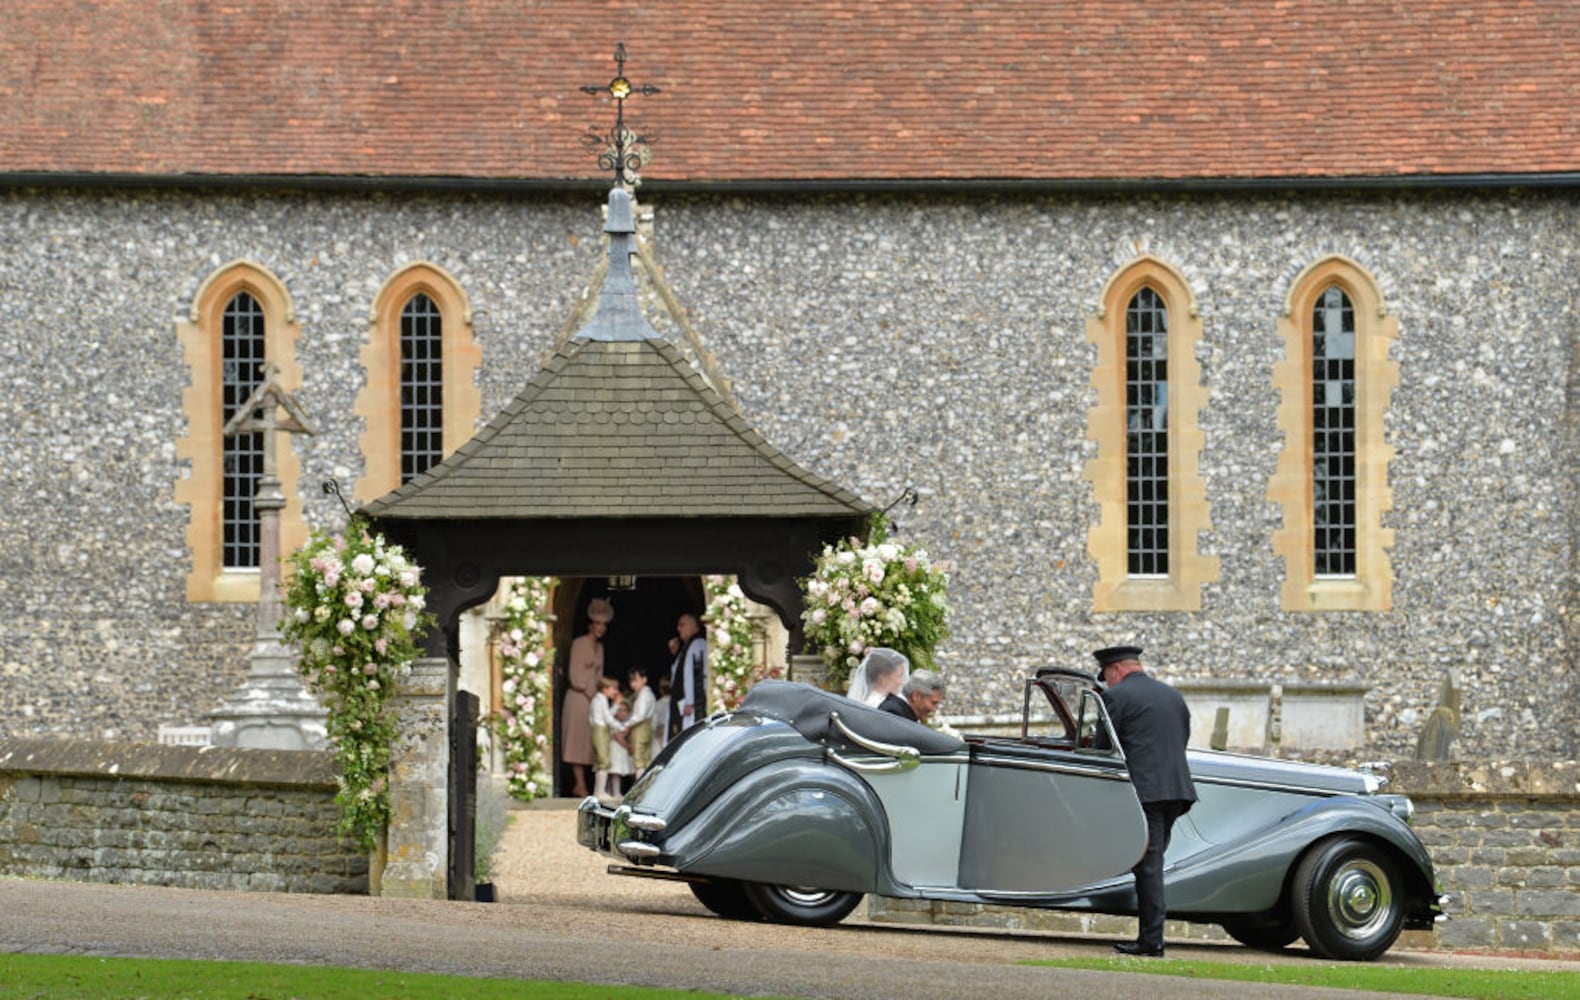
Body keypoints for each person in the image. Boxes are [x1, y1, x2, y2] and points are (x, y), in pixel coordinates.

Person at [1094, 645, 1197, 958]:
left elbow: (1102, 748)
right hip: (1177, 792)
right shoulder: (1173, 696)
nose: (1108, 683)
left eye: (1107, 677)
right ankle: (1150, 937)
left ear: (1115, 670)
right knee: (1150, 864)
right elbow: (1182, 738)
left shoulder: (1116, 697)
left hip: (1146, 793)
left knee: (1149, 867)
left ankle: (1152, 942)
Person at [561, 597, 613, 798]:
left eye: (604, 624)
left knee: (590, 742)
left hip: (593, 698)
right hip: (579, 698)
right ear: (590, 625)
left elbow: (599, 676)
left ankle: (590, 785)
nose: (601, 628)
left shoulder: (600, 648)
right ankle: (579, 784)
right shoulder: (579, 643)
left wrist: (610, 688)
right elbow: (574, 675)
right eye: (598, 624)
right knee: (577, 741)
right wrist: (591, 692)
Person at [588, 675, 630, 805]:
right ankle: (599, 792)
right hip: (600, 731)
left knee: (603, 761)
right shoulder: (600, 700)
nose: (615, 692)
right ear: (605, 689)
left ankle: (599, 791)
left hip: (601, 731)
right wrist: (620, 726)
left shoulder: (600, 700)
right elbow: (607, 718)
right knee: (604, 761)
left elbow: (607, 715)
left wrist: (616, 706)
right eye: (613, 689)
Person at [668, 612, 708, 734]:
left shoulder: (698, 644)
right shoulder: (686, 647)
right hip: (682, 704)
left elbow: (698, 674)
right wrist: (675, 655)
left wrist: (691, 701)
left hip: (692, 706)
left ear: (694, 626)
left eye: (682, 625)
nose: (678, 628)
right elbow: (677, 675)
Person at [879, 669, 945, 724]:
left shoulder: (901, 711)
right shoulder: (894, 713)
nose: (934, 709)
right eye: (933, 703)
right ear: (916, 695)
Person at [625, 668, 656, 772]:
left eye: (635, 680)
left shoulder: (644, 695)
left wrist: (626, 724)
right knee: (646, 759)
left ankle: (641, 787)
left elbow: (639, 715)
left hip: (640, 730)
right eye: (631, 681)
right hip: (647, 729)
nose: (633, 684)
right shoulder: (647, 693)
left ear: (644, 679)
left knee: (639, 761)